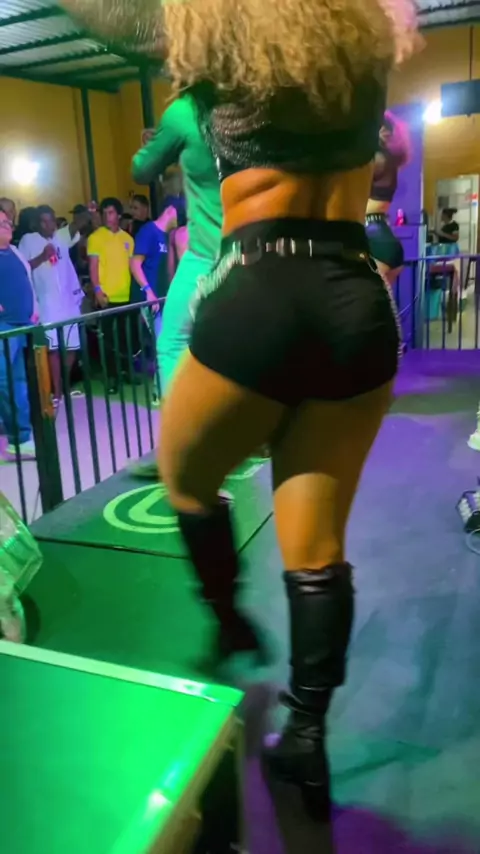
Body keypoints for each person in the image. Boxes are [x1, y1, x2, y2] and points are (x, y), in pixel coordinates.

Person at [66, 0, 419, 821]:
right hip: (353, 297)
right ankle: (306, 734)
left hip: (260, 285)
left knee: (186, 477)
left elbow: (111, 18)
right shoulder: (360, 49)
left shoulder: (228, 36)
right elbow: (394, 151)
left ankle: (228, 622)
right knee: (317, 544)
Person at [129, 94, 223, 476]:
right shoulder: (252, 104)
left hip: (207, 251)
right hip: (258, 248)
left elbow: (141, 168)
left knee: (171, 341)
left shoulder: (186, 110)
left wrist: (156, 143)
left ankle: (179, 445)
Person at [19, 205, 89, 404]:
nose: (48, 225)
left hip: (67, 301)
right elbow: (23, 268)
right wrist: (42, 257)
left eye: (51, 220)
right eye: (43, 221)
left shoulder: (60, 237)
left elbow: (76, 226)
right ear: (36, 223)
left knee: (72, 347)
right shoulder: (28, 240)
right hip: (46, 302)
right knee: (53, 349)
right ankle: (56, 392)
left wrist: (88, 213)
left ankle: (65, 386)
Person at [87, 197, 135, 393]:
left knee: (125, 338)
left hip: (126, 296)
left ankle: (126, 371)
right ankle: (112, 378)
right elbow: (93, 267)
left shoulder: (128, 239)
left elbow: (132, 267)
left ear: (119, 215)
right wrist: (97, 290)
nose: (107, 216)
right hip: (106, 296)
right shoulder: (95, 237)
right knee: (107, 341)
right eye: (104, 213)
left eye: (111, 212)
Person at [0, 208, 37, 460]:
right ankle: (19, 435)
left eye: (7, 222)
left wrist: (34, 307)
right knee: (6, 381)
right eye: (2, 223)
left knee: (18, 382)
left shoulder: (14, 251)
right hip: (3, 327)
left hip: (21, 324)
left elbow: (28, 281)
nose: (8, 225)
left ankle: (21, 438)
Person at [365, 111, 411, 287]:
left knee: (371, 303)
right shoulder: (389, 159)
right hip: (383, 236)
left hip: (373, 239)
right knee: (383, 302)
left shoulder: (376, 159)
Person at [130, 203, 178, 338]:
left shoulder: (168, 236)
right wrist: (149, 292)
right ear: (170, 211)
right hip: (151, 300)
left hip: (163, 299)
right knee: (161, 341)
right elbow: (135, 264)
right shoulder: (148, 231)